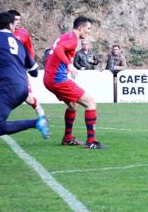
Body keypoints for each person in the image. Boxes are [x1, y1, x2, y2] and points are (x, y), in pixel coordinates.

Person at [44, 16, 107, 149]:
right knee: (90, 102)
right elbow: (58, 50)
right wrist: (70, 65)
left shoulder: (67, 36)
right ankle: (91, 141)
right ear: (81, 27)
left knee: (73, 106)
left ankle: (68, 138)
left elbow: (56, 50)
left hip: (49, 78)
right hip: (58, 79)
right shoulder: (72, 39)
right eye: (88, 28)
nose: (89, 31)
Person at [0, 11, 49, 139]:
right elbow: (34, 71)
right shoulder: (19, 43)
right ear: (10, 26)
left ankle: (36, 122)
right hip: (22, 88)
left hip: (9, 87)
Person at [6, 10, 45, 118]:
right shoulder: (2, 33)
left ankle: (41, 114)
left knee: (27, 95)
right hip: (2, 69)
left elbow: (29, 51)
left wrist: (29, 64)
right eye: (15, 19)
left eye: (19, 19)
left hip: (18, 70)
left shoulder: (23, 33)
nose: (18, 22)